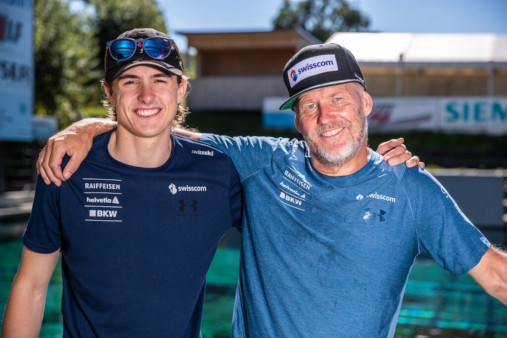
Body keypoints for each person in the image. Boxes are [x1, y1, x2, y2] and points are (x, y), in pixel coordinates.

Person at [33, 43, 460, 338]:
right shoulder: (263, 163)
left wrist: (389, 172)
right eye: (310, 105)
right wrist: (85, 127)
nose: (325, 116)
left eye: (338, 99)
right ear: (297, 119)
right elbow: (152, 125)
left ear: (366, 104)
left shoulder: (404, 185)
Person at [1, 28, 242, 337]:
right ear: (109, 92)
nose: (146, 95)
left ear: (181, 89)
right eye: (130, 81)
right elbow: (32, 286)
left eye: (160, 80)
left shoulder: (217, 174)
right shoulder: (67, 170)